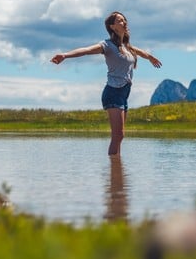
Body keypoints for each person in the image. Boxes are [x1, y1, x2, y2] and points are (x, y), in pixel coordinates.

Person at [51, 11, 162, 155]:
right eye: (120, 21)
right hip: (113, 92)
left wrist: (151, 57)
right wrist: (65, 55)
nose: (124, 22)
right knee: (118, 135)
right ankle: (114, 172)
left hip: (124, 93)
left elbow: (141, 52)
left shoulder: (128, 47)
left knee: (120, 136)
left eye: (124, 20)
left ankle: (117, 172)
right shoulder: (107, 45)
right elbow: (86, 50)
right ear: (112, 27)